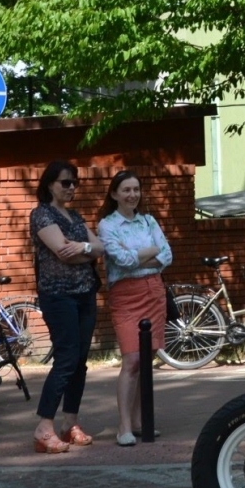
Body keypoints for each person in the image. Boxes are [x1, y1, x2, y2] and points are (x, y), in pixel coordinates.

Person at [30, 160, 101, 454]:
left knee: (80, 360)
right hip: (58, 296)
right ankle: (44, 427)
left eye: (75, 183)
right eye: (65, 182)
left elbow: (100, 247)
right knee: (66, 358)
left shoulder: (74, 216)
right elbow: (63, 253)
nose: (72, 187)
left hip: (85, 293)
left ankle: (70, 423)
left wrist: (84, 248)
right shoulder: (42, 214)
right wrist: (86, 252)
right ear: (50, 184)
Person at [98, 169, 174, 446]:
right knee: (131, 360)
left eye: (136, 189)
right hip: (126, 296)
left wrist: (139, 256)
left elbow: (167, 255)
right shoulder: (107, 225)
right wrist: (151, 252)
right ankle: (124, 426)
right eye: (126, 190)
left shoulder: (149, 221)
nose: (132, 195)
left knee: (146, 360)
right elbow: (121, 260)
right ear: (114, 194)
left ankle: (141, 421)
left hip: (154, 291)